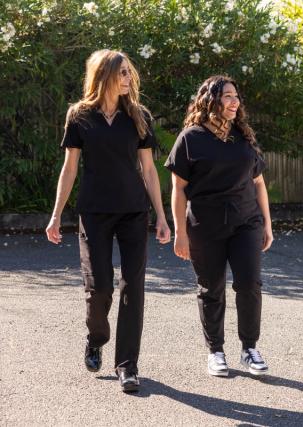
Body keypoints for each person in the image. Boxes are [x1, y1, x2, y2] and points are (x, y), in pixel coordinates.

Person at [45, 49, 171, 392]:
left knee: (133, 287)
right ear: (105, 76)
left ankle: (127, 365)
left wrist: (161, 216)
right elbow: (69, 168)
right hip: (95, 213)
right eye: (123, 73)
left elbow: (148, 170)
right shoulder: (80, 116)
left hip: (133, 212)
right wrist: (56, 214)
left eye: (130, 73)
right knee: (99, 285)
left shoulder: (139, 116)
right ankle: (96, 337)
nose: (129, 79)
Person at [165, 75, 273, 378]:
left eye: (236, 96)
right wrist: (180, 234)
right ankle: (216, 351)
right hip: (205, 225)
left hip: (246, 222)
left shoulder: (243, 137)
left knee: (249, 284)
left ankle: (249, 348)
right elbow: (178, 189)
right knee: (211, 288)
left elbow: (259, 183)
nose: (235, 102)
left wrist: (267, 223)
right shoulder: (190, 138)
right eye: (227, 96)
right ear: (210, 100)